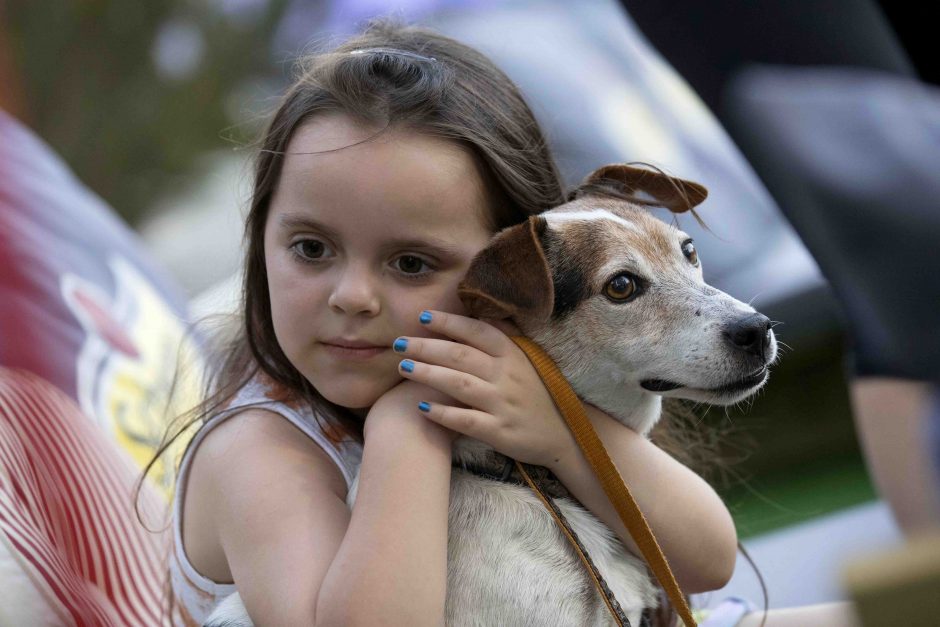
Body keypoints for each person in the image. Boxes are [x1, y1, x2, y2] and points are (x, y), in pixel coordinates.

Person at [148, 18, 740, 626]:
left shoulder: (516, 404)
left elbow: (706, 562)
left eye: (410, 263)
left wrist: (560, 430)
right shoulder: (262, 451)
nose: (352, 297)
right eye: (310, 248)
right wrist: (408, 431)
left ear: (517, 271)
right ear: (261, 239)